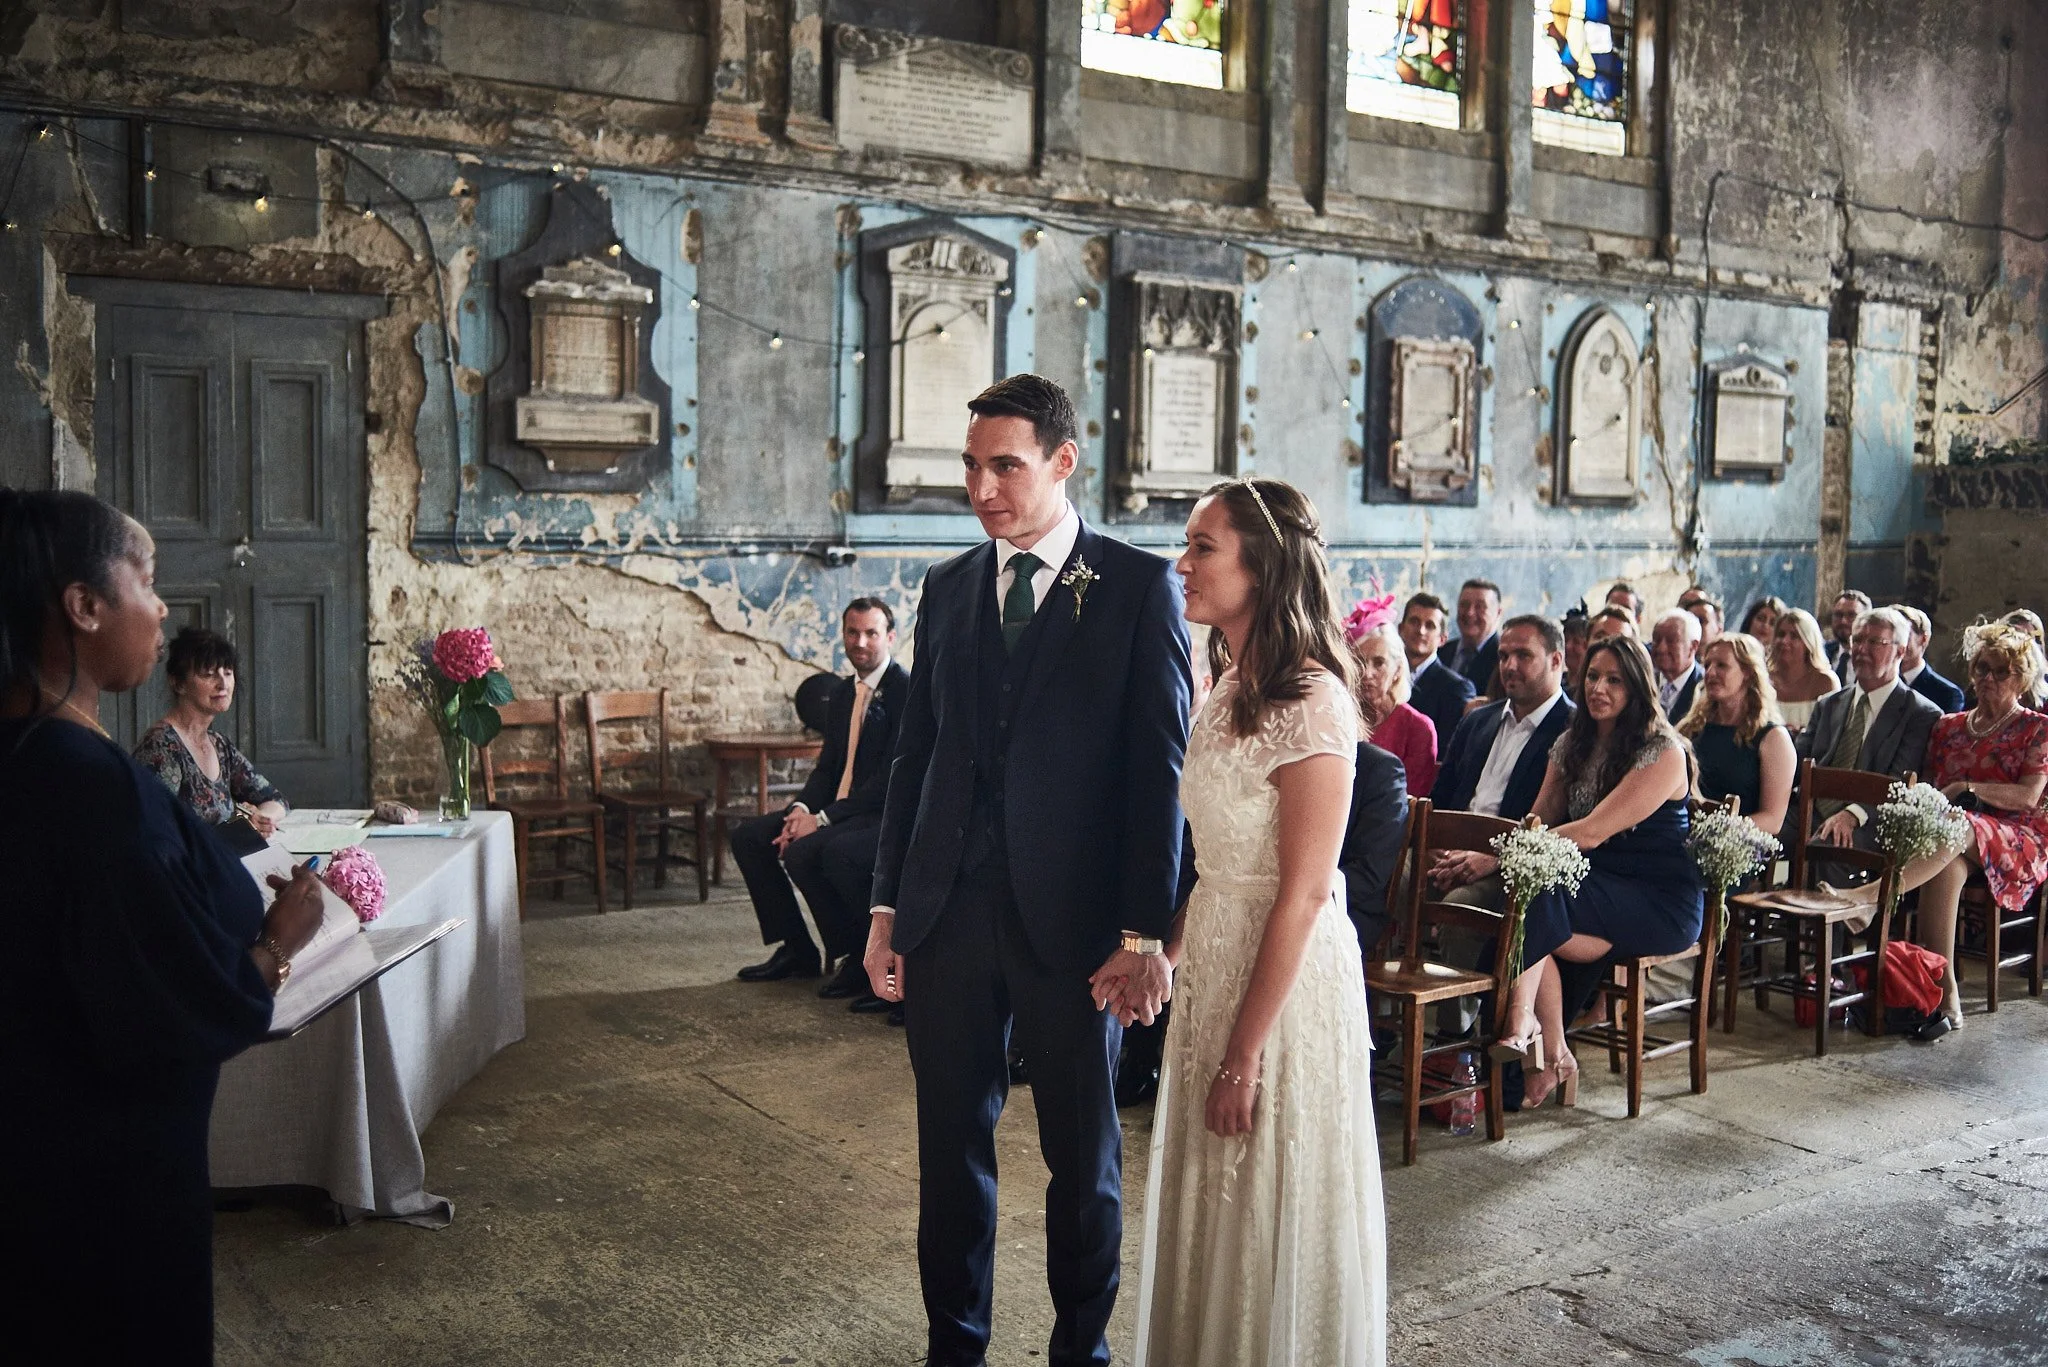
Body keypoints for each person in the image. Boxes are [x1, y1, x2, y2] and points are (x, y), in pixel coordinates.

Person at [862, 374, 1191, 1367]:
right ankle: (952, 1346)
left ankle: (1077, 1349)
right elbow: (913, 759)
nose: (981, 487)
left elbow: (1157, 774)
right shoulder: (949, 586)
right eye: (969, 465)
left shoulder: (1136, 587)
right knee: (948, 1158)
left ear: (1060, 461)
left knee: (1082, 1163)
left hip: (1077, 931)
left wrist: (1141, 935)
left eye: (1003, 464)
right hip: (948, 916)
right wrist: (885, 909)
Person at [0, 488, 325, 1364]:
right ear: (84, 604)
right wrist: (277, 943)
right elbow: (177, 1001)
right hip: (106, 1183)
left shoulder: (36, 756)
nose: (163, 608)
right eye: (147, 580)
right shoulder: (90, 787)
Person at [1136, 476, 1384, 1367]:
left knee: (1267, 1192)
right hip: (1212, 960)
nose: (1184, 561)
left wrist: (1246, 1053)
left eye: (1204, 545)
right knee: (1214, 1198)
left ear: (1263, 564)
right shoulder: (1226, 684)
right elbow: (1213, 865)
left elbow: (1305, 892)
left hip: (1281, 989)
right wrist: (1162, 953)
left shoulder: (1314, 700)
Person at [1497, 636, 1704, 1109]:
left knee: (1535, 900)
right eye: (1592, 676)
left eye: (1614, 679)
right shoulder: (1572, 741)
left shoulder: (1663, 751)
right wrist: (1507, 852)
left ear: (1636, 687)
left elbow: (1591, 832)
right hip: (1592, 890)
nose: (1599, 688)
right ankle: (1553, 1049)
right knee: (1532, 899)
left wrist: (1501, 856)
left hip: (1658, 901)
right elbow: (1539, 819)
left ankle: (1522, 1023)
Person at [1823, 620, 2048, 1039]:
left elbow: (2029, 797)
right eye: (1982, 668)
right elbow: (1926, 786)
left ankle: (1870, 898)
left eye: (2001, 671)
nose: (1988, 679)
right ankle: (1945, 999)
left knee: (1959, 824)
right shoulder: (1949, 726)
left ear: (2021, 678)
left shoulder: (2036, 727)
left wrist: (1967, 787)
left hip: (2018, 836)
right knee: (1948, 862)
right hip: (1952, 838)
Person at [734, 598, 909, 1004]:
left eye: (871, 633)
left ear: (890, 637)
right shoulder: (843, 692)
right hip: (840, 809)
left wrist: (823, 819)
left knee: (809, 853)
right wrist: (800, 810)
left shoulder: (906, 691)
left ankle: (856, 956)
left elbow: (890, 781)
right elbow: (828, 769)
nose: (860, 642)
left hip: (878, 813)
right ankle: (798, 948)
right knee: (750, 837)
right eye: (852, 632)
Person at [1797, 607, 1941, 850]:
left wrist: (1852, 815)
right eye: (1858, 640)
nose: (1862, 649)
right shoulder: (1829, 704)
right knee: (1758, 837)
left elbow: (1899, 783)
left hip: (1869, 819)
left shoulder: (1919, 714)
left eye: (1875, 642)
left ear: (1900, 651)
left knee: (1828, 844)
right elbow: (1799, 762)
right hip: (1811, 808)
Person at [132, 626, 289, 835]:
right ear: (178, 683)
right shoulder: (161, 747)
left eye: (228, 672)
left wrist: (261, 820)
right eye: (208, 674)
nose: (223, 684)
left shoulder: (219, 745)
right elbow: (155, 835)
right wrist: (238, 832)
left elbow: (276, 799)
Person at [1677, 633, 1795, 834]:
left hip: (1735, 845)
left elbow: (1772, 819)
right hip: (1683, 833)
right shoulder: (1693, 727)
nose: (1711, 673)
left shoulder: (1773, 737)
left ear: (1747, 672)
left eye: (1721, 665)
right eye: (1707, 665)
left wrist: (1714, 832)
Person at [1353, 623, 1436, 797]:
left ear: (1397, 670)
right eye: (1359, 661)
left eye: (1379, 663)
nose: (1367, 673)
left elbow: (1411, 803)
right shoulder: (1340, 716)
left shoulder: (1418, 728)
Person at [1400, 590, 1475, 747]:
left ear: (1442, 639)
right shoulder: (1384, 676)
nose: (1421, 631)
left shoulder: (1456, 688)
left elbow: (1447, 748)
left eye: (1430, 625)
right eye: (1414, 621)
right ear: (1401, 629)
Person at [1770, 608, 1839, 733]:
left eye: (1794, 636)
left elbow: (1832, 733)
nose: (1785, 641)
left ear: (1809, 642)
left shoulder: (1825, 681)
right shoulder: (1764, 679)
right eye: (1781, 634)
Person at [1892, 603, 1966, 713]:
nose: (1898, 643)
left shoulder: (1947, 694)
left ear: (1923, 639)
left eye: (1905, 636)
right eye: (1892, 637)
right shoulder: (1875, 684)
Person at [1441, 578, 1502, 698]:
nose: (1470, 613)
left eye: (1480, 606)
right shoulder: (1442, 651)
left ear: (1498, 613)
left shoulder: (1503, 658)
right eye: (1464, 605)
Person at [1650, 608, 1704, 721]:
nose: (1661, 648)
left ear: (1693, 646)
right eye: (1656, 639)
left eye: (1671, 640)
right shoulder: (1646, 680)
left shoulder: (1704, 688)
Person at [1825, 589, 1872, 679]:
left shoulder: (1873, 658)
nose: (1843, 621)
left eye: (1851, 615)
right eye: (1838, 615)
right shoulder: (1822, 653)